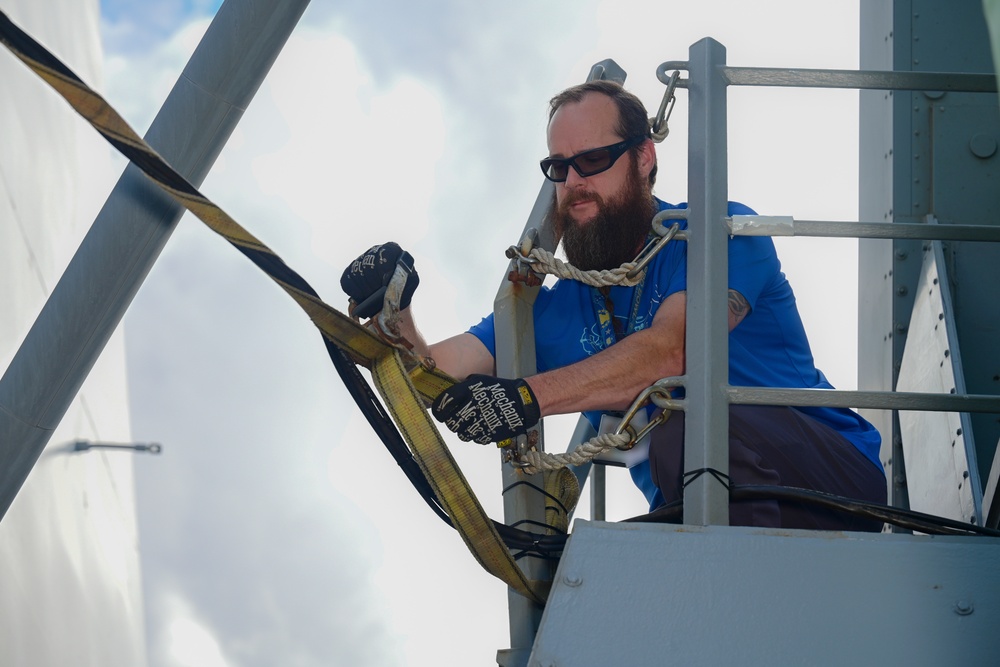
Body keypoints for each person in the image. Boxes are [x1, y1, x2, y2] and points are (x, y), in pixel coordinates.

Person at [341, 80, 887, 531]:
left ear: (644, 156)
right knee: (591, 556)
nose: (575, 183)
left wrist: (527, 398)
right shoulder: (563, 308)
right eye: (559, 168)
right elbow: (425, 378)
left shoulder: (717, 232)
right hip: (702, 505)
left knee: (685, 419)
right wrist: (390, 312)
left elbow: (672, 353)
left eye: (593, 160)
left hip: (832, 481)